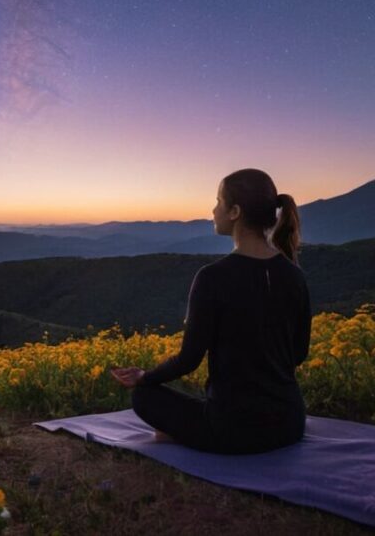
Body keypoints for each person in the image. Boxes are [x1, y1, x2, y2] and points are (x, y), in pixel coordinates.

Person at [110, 168, 311, 454]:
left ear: (235, 212)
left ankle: (181, 435)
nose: (213, 209)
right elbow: (299, 353)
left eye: (218, 201)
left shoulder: (213, 277)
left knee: (145, 398)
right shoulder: (295, 275)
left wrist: (145, 377)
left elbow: (188, 360)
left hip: (233, 429)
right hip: (290, 425)